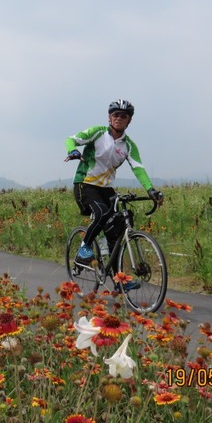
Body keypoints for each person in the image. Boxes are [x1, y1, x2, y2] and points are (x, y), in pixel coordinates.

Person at [65, 99, 163, 289]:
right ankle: (83, 250)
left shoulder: (129, 146)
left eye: (123, 116)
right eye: (115, 115)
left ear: (129, 121)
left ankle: (119, 280)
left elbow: (138, 169)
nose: (119, 118)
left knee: (118, 228)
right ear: (109, 117)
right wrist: (73, 151)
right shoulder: (97, 133)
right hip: (85, 184)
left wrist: (151, 189)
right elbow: (71, 139)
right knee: (101, 213)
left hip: (106, 189)